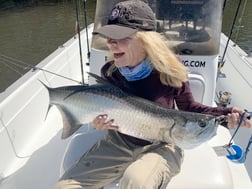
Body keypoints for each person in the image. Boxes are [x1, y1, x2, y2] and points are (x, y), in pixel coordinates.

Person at [55, 0, 251, 188]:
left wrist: (227, 114)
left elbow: (189, 109)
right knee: (66, 186)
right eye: (109, 36)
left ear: (145, 40)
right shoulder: (110, 71)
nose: (110, 43)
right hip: (120, 141)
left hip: (163, 143)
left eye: (119, 37)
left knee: (136, 181)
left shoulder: (169, 71)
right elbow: (103, 112)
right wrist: (96, 121)